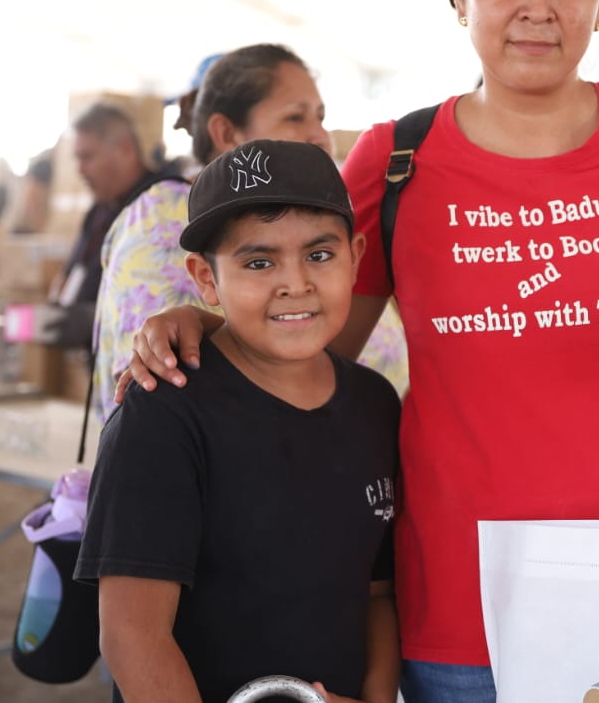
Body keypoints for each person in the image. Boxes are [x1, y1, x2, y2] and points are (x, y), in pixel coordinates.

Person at [118, 0, 599, 703]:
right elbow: (306, 350)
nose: (538, 6)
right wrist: (201, 320)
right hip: (466, 612)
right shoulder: (396, 160)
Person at [75, 138, 400, 703]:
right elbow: (132, 636)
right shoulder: (163, 413)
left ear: (356, 256)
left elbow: (376, 594)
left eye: (320, 255)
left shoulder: (376, 403)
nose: (295, 283)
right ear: (205, 278)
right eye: (258, 262)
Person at [91, 44, 409, 423]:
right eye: (295, 117)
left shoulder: (324, 218)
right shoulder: (160, 219)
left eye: (320, 118)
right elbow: (162, 376)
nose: (320, 137)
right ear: (226, 132)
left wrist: (203, 319)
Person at [47, 102, 171, 348]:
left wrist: (95, 318)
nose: (80, 170)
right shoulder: (98, 211)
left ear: (125, 150)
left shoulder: (160, 207)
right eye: (77, 158)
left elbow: (163, 298)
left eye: (87, 157)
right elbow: (73, 271)